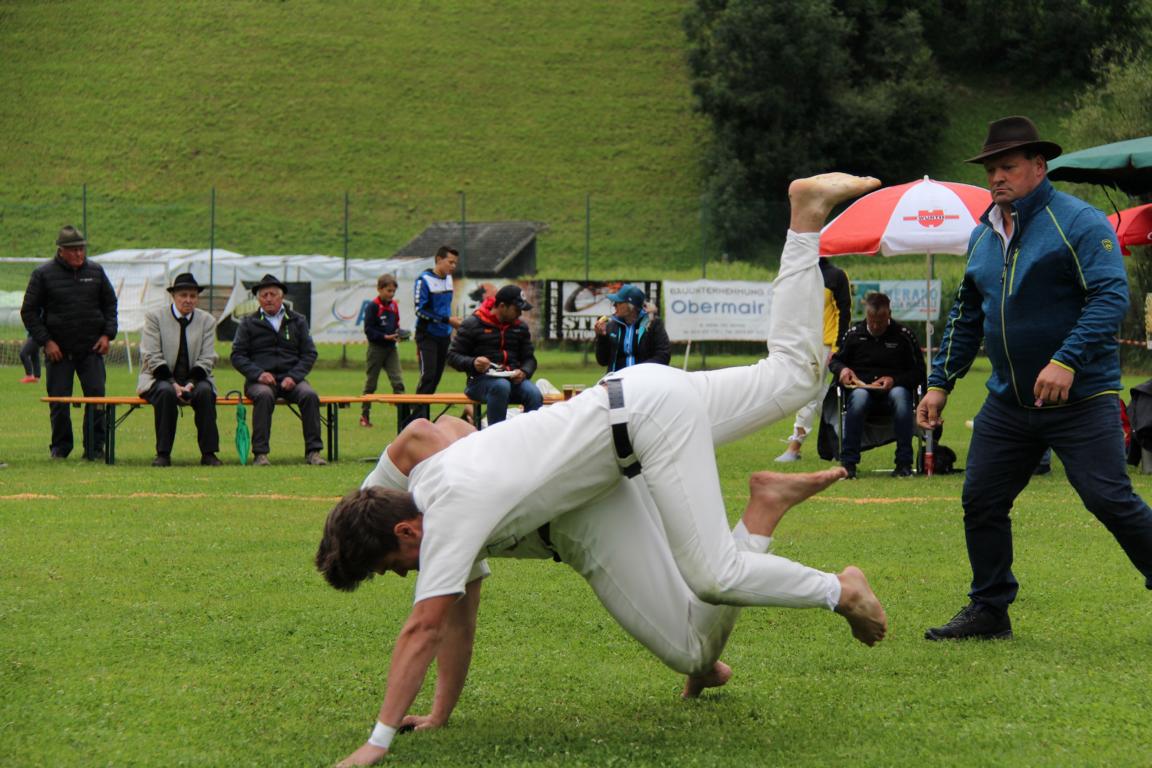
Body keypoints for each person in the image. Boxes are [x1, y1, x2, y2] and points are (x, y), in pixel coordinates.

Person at [316, 172, 888, 765]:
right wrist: (438, 713)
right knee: (795, 376)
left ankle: (839, 590)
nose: (402, 574)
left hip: (643, 427)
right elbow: (450, 599)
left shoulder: (449, 509)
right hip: (637, 401)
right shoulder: (437, 483)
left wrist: (374, 745)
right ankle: (804, 222)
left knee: (713, 575)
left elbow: (423, 629)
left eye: (391, 566)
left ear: (406, 531)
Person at [917, 115, 1152, 641]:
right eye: (991, 169)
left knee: (1109, 498)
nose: (997, 177)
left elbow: (1111, 296)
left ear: (1038, 167)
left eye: (1008, 166)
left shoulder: (1080, 223)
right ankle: (989, 609)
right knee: (980, 500)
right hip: (1008, 403)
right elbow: (966, 316)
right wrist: (940, 382)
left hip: (1081, 397)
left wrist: (1066, 360)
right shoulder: (983, 234)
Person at [20, 225, 118, 460]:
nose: (79, 254)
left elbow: (110, 305)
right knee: (59, 402)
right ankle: (60, 448)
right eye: (73, 250)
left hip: (91, 350)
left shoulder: (96, 272)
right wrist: (47, 341)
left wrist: (107, 335)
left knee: (97, 399)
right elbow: (29, 312)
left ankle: (95, 448)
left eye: (82, 249)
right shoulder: (43, 274)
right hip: (59, 352)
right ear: (61, 251)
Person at [230, 274, 326, 466]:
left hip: (292, 379)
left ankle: (313, 452)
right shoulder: (248, 323)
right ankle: (260, 454)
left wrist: (294, 376)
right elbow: (237, 355)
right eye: (263, 295)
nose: (268, 298)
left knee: (309, 395)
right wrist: (258, 374)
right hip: (259, 381)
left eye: (272, 294)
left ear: (281, 297)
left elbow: (309, 353)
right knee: (264, 396)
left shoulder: (297, 320)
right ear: (258, 299)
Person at [828, 292, 925, 478]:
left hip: (894, 390)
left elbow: (919, 371)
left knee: (901, 397)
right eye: (871, 320)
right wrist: (843, 371)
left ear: (889, 314)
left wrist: (894, 380)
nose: (875, 326)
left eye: (880, 321)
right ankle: (849, 464)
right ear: (866, 314)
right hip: (863, 388)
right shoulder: (854, 334)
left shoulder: (904, 336)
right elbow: (835, 361)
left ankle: (904, 464)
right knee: (859, 397)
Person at [136, 273, 221, 467]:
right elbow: (151, 355)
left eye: (193, 296)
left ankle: (209, 454)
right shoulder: (155, 317)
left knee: (206, 392)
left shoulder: (207, 321)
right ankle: (163, 454)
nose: (188, 300)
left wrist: (190, 384)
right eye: (183, 295)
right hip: (158, 378)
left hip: (195, 379)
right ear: (173, 296)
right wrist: (174, 384)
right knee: (166, 393)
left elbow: (208, 358)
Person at [777, 257, 851, 462]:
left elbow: (844, 313)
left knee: (808, 393)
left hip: (826, 345)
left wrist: (837, 347)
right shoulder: (799, 276)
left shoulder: (836, 275)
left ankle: (795, 446)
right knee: (820, 397)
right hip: (804, 345)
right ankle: (843, 439)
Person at [447, 284, 542, 425]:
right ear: (502, 306)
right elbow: (452, 356)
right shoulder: (472, 324)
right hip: (479, 382)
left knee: (533, 393)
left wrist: (524, 372)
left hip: (513, 382)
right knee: (501, 386)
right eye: (517, 309)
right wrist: (473, 363)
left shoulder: (520, 328)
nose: (520, 314)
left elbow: (529, 359)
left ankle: (529, 438)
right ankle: (495, 439)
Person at [412, 247, 462, 420]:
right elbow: (420, 311)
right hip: (427, 335)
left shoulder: (448, 279)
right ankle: (416, 418)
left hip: (444, 336)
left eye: (455, 262)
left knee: (436, 378)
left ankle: (422, 416)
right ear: (438, 259)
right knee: (428, 375)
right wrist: (448, 320)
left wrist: (452, 322)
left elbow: (445, 308)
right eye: (450, 262)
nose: (453, 266)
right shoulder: (423, 280)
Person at [360, 273, 407, 428]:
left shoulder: (394, 306)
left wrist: (399, 334)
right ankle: (364, 416)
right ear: (379, 289)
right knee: (371, 384)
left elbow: (396, 324)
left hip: (391, 349)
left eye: (393, 291)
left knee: (398, 382)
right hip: (376, 349)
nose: (391, 294)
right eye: (388, 290)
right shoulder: (373, 306)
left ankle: (403, 418)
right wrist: (384, 336)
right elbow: (368, 330)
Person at [594, 284, 670, 372]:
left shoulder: (653, 324)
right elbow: (603, 361)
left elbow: (663, 356)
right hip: (617, 381)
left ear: (631, 306)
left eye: (619, 302)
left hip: (645, 380)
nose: (614, 305)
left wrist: (637, 372)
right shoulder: (611, 326)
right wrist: (601, 337)